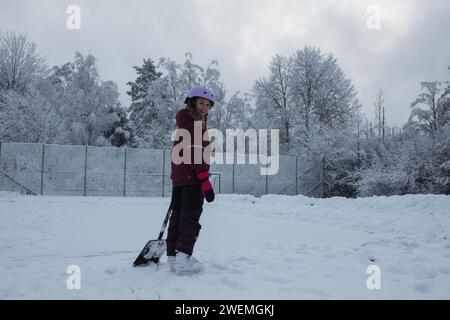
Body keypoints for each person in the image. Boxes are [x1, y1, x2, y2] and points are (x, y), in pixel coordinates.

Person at [166, 86, 216, 274]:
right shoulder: (195, 125)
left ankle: (172, 257)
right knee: (190, 218)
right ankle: (183, 258)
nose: (205, 108)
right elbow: (198, 155)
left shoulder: (182, 125)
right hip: (192, 180)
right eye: (201, 103)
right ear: (192, 102)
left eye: (208, 105)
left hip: (180, 180)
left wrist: (176, 179)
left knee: (177, 217)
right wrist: (206, 183)